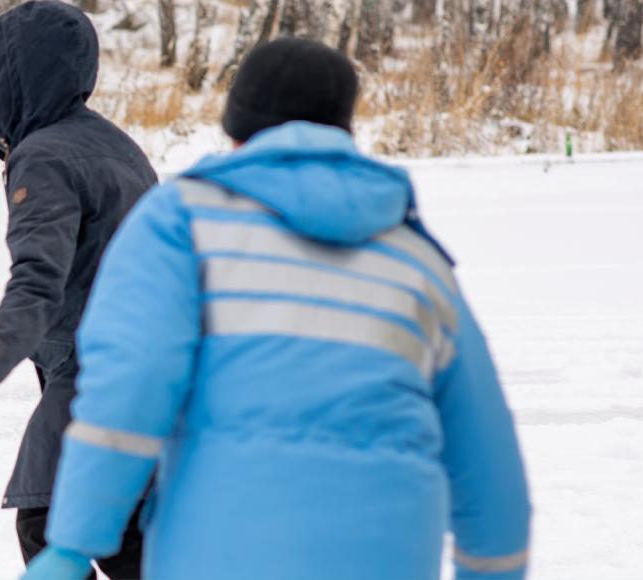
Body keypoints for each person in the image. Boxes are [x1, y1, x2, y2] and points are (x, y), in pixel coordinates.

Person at [26, 39, 532, 579]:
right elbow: (487, 459)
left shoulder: (180, 223)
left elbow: (129, 388)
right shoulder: (416, 259)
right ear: (344, 128)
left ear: (234, 126)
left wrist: (74, 543)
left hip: (219, 554)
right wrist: (493, 570)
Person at [0, 2, 158, 576]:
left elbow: (37, 280)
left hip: (92, 373)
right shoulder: (118, 146)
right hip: (150, 371)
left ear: (15, 78)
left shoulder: (45, 155)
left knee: (51, 520)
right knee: (119, 529)